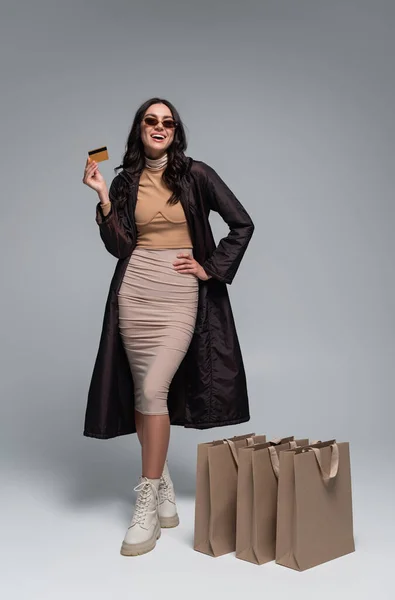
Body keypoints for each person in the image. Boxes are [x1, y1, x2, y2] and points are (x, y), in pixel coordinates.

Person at [82, 97, 254, 557]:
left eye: (168, 123)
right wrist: (102, 197)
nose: (159, 128)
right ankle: (162, 487)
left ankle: (145, 497)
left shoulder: (197, 174)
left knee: (155, 388)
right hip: (134, 290)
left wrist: (210, 267)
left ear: (175, 133)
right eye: (150, 121)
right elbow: (120, 246)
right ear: (139, 129)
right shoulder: (123, 181)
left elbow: (242, 223)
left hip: (178, 293)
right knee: (144, 391)